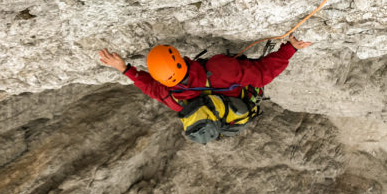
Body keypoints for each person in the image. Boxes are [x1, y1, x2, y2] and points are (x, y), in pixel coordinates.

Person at [98, 35, 312, 112]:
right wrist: (289, 48)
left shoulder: (172, 97)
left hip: (229, 108)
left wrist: (125, 69)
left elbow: (151, 89)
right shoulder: (218, 68)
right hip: (240, 90)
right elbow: (263, 74)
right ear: (180, 59)